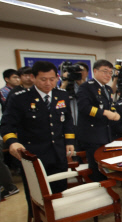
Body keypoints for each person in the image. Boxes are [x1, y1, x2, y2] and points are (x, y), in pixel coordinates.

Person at [1, 61, 75, 195]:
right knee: (37, 193)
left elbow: (67, 120)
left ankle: (59, 215)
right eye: (43, 79)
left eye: (52, 79)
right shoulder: (20, 98)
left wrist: (69, 141)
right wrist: (13, 142)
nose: (48, 83)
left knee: (60, 190)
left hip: (58, 153)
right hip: (34, 154)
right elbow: (6, 124)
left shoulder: (62, 95)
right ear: (33, 78)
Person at [77, 59, 121, 182]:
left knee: (105, 165)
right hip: (92, 134)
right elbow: (84, 107)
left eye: (110, 73)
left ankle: (106, 187)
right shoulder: (86, 87)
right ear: (95, 71)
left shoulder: (106, 89)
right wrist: (105, 113)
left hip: (105, 133)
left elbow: (109, 106)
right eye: (105, 71)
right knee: (96, 168)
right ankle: (98, 189)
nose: (108, 75)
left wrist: (113, 112)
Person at [59, 62, 89, 127]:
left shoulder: (89, 85)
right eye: (77, 71)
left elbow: (90, 97)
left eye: (82, 70)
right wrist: (65, 81)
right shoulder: (68, 84)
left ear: (87, 73)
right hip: (70, 121)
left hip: (85, 122)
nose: (79, 73)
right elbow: (58, 97)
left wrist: (81, 83)